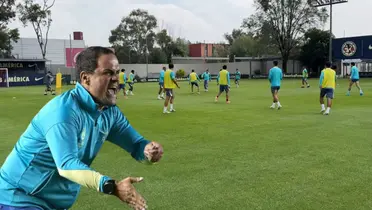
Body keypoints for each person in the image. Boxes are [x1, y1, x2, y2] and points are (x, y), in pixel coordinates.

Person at [0, 47, 163, 210]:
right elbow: (67, 165)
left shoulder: (109, 112)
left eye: (117, 72)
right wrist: (112, 187)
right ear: (86, 78)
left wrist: (149, 151)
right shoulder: (63, 112)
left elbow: (136, 144)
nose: (116, 79)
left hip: (51, 203)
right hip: (17, 198)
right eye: (108, 73)